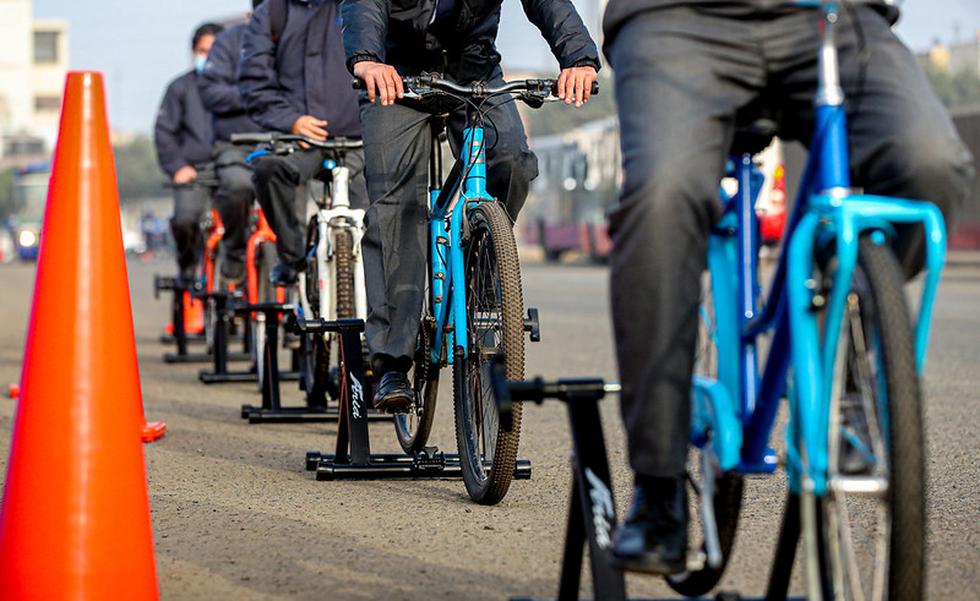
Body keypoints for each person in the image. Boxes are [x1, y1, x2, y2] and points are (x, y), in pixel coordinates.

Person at [601, 0, 975, 574]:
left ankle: (849, 357)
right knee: (662, 198)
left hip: (830, 13)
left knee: (928, 165)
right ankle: (658, 484)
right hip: (677, 17)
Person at [343, 0, 601, 412]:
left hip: (474, 71)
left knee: (512, 160)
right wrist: (367, 58)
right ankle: (392, 362)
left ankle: (483, 255)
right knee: (397, 209)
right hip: (397, 77)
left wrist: (579, 59)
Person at [240, 0, 368, 286]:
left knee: (379, 223)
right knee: (268, 170)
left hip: (361, 138)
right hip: (300, 140)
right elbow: (253, 83)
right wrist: (292, 120)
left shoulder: (357, 5)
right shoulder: (272, 13)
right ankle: (294, 257)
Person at [198, 1, 267, 286]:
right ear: (253, 14)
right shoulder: (228, 42)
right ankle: (235, 250)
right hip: (234, 144)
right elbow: (210, 91)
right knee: (238, 186)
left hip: (283, 141)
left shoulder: (299, 40)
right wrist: (255, 96)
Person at [153, 22, 223, 283]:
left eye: (214, 51)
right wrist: (177, 166)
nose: (208, 57)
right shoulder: (179, 88)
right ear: (194, 51)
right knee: (184, 219)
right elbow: (164, 132)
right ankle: (188, 265)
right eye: (203, 50)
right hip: (194, 172)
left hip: (230, 167)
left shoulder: (240, 86)